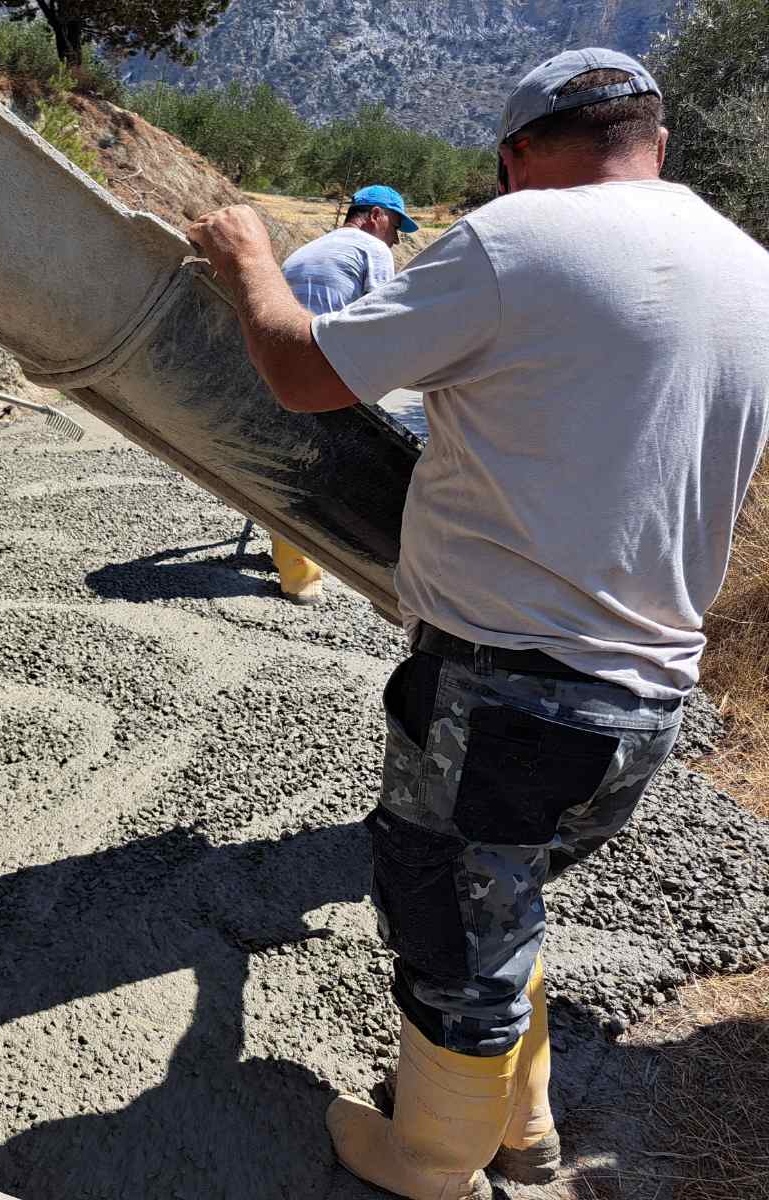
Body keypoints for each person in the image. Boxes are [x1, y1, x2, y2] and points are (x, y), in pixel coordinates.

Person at [188, 48, 769, 1200]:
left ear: (515, 156)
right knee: (501, 893)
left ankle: (430, 1157)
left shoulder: (520, 240)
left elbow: (309, 374)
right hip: (647, 696)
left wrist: (251, 261)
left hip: (510, 690)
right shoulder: (749, 268)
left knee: (447, 917)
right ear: (656, 140)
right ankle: (524, 1123)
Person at [269, 184, 417, 604]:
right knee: (321, 467)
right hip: (320, 366)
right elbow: (386, 314)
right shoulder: (372, 249)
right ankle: (304, 576)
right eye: (394, 226)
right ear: (373, 216)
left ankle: (287, 555)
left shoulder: (316, 247)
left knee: (286, 459)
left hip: (277, 359)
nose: (396, 238)